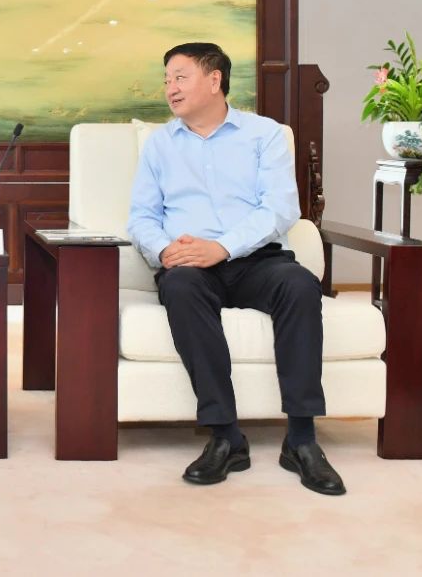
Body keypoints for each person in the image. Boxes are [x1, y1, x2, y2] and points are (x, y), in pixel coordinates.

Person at [127, 43, 346, 496]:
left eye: (180, 77)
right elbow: (142, 217)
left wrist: (222, 247)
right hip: (189, 265)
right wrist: (165, 251)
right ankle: (226, 436)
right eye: (166, 79)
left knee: (301, 285)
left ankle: (301, 439)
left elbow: (280, 208)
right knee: (181, 289)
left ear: (215, 80)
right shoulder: (160, 145)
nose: (170, 88)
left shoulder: (265, 135)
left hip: (256, 259)